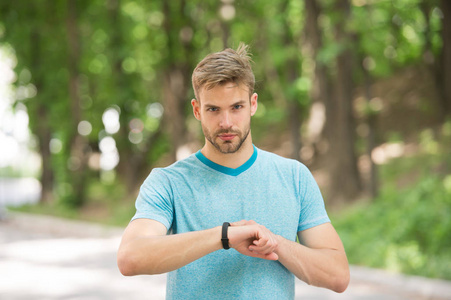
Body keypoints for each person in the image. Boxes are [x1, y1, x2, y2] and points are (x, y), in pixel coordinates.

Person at [117, 43, 350, 299]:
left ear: (253, 104)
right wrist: (224, 236)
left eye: (236, 107)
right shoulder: (168, 182)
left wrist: (277, 243)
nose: (226, 122)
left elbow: (337, 275)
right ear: (197, 110)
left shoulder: (294, 177)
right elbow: (130, 258)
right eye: (213, 109)